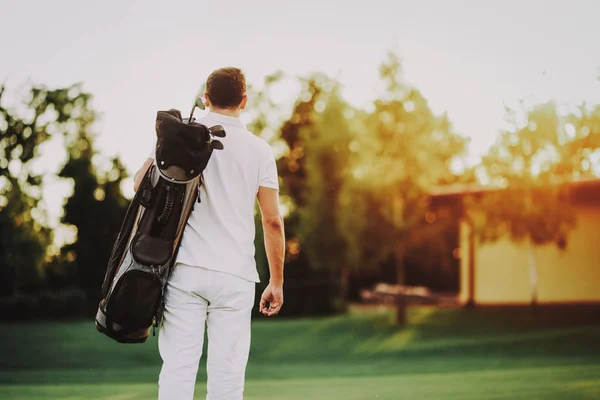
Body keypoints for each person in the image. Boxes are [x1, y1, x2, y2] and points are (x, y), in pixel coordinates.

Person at [133, 67, 285, 400]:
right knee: (227, 380)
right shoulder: (260, 150)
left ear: (205, 97)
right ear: (244, 101)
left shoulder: (179, 136)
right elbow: (272, 220)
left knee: (178, 370)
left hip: (185, 270)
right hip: (236, 277)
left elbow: (138, 184)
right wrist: (276, 282)